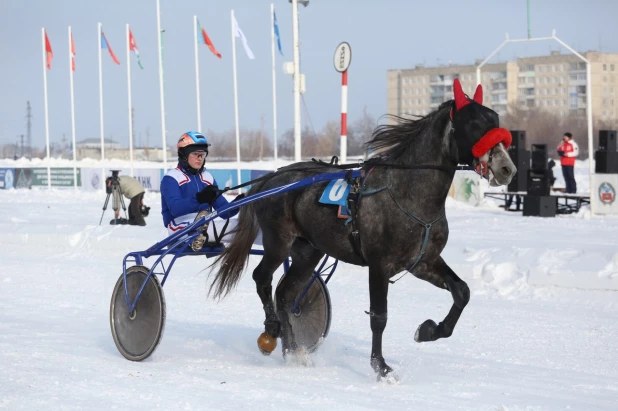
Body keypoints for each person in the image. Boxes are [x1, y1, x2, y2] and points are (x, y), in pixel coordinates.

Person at [160, 131, 243, 240]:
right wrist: (199, 199)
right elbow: (175, 209)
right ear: (183, 155)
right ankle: (198, 234)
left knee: (250, 226)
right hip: (178, 226)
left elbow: (223, 213)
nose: (200, 158)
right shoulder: (171, 178)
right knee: (201, 227)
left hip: (205, 223)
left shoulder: (208, 177)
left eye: (203, 154)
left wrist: (239, 203)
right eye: (195, 154)